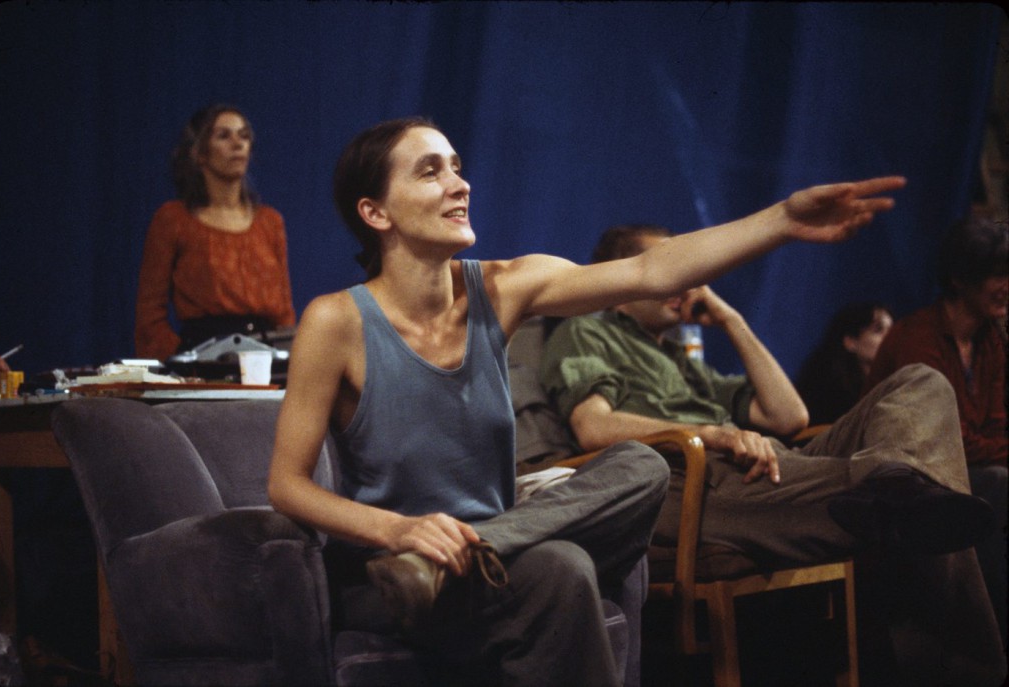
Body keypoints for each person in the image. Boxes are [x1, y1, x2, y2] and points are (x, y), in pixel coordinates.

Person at [266, 116, 907, 684]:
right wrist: (401, 531)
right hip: (396, 575)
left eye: (458, 168)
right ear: (376, 212)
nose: (459, 185)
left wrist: (782, 221)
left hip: (494, 552)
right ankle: (450, 562)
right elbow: (288, 485)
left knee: (642, 465)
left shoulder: (503, 285)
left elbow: (651, 272)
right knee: (564, 567)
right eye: (430, 172)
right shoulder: (335, 322)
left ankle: (490, 544)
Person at [541, 223, 1005, 686]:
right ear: (622, 275)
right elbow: (592, 425)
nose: (686, 280)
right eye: (671, 268)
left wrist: (730, 319)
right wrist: (710, 432)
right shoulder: (585, 331)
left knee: (920, 383)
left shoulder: (682, 359)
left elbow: (789, 416)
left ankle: (895, 482)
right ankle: (970, 668)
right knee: (927, 499)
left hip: (763, 465)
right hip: (691, 479)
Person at [866, 214, 1008, 647]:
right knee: (998, 483)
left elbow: (997, 423)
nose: (1006, 285)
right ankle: (986, 644)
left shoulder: (992, 340)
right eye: (996, 274)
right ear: (961, 279)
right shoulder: (917, 338)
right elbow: (948, 441)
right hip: (911, 479)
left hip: (970, 470)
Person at [134, 104, 296, 360]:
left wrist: (287, 358)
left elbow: (284, 313)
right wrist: (181, 360)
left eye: (244, 135)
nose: (237, 144)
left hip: (264, 357)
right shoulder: (174, 219)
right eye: (223, 136)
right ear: (200, 153)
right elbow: (149, 312)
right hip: (203, 358)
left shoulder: (270, 221)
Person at [795, 301, 893, 424]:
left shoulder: (894, 384)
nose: (890, 337)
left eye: (891, 330)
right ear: (850, 342)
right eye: (878, 330)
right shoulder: (825, 389)